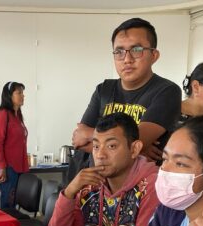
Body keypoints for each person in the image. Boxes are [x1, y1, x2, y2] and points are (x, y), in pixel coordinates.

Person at [48, 112, 159, 226]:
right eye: (96, 146)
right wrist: (69, 193)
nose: (100, 155)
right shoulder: (91, 187)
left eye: (112, 146)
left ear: (134, 149)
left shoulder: (153, 187)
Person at [72, 17, 181, 164]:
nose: (127, 59)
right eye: (119, 51)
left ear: (154, 55)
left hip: (142, 185)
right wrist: (135, 149)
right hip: (99, 181)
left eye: (137, 50)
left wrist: (93, 137)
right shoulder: (104, 89)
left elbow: (136, 142)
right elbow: (79, 141)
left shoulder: (167, 91)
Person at [0, 81, 29, 209]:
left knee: (14, 202)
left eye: (22, 93)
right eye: (19, 93)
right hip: (8, 168)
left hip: (19, 167)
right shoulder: (3, 114)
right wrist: (2, 168)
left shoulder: (17, 116)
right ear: (9, 95)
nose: (22, 96)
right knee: (8, 202)